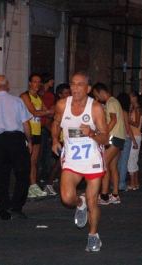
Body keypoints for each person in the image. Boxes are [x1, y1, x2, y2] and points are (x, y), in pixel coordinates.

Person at [51, 72, 109, 252]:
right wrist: (55, 140)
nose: (74, 88)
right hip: (72, 159)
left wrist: (91, 133)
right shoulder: (62, 104)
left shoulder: (96, 108)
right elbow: (55, 123)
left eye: (79, 85)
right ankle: (79, 204)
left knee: (93, 201)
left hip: (92, 158)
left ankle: (93, 236)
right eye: (72, 84)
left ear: (88, 89)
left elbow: (106, 138)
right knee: (67, 197)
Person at [0, 75, 33, 220]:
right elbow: (26, 124)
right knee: (23, 173)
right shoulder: (17, 101)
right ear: (8, 85)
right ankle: (16, 206)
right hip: (16, 138)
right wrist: (29, 140)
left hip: (0, 141)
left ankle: (4, 209)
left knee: (2, 176)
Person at [20, 73, 55, 198]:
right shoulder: (25, 96)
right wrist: (48, 111)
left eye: (39, 82)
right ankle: (28, 186)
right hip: (26, 132)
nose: (37, 84)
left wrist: (56, 108)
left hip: (37, 132)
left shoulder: (39, 98)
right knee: (26, 162)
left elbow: (48, 114)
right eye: (35, 81)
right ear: (30, 83)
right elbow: (34, 112)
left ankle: (33, 186)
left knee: (34, 161)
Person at [92, 83, 126, 204]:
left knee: (103, 164)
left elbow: (113, 119)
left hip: (114, 136)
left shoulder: (110, 102)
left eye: (97, 95)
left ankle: (104, 195)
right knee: (112, 166)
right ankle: (115, 194)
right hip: (120, 137)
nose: (97, 99)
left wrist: (104, 132)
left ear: (101, 92)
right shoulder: (115, 102)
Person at [44, 83, 71, 195]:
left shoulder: (71, 105)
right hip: (61, 139)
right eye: (66, 93)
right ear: (60, 95)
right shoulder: (56, 106)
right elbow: (47, 122)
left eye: (69, 93)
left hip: (70, 139)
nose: (68, 95)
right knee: (59, 163)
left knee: (65, 163)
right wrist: (55, 136)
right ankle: (49, 185)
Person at [116, 92, 138, 191]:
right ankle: (121, 183)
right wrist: (134, 141)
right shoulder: (124, 112)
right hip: (125, 138)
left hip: (116, 137)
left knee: (115, 162)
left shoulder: (115, 111)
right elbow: (128, 128)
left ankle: (114, 183)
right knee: (123, 162)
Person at [37, 73, 56, 182]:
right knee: (39, 154)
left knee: (46, 153)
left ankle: (45, 175)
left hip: (46, 125)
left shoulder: (50, 95)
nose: (53, 81)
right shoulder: (38, 95)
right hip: (39, 125)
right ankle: (38, 176)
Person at [126, 91, 142, 191]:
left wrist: (127, 120)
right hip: (133, 135)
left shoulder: (137, 109)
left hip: (135, 135)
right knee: (134, 160)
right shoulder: (133, 108)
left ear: (135, 98)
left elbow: (137, 124)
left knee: (131, 161)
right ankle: (136, 183)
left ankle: (132, 183)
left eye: (130, 97)